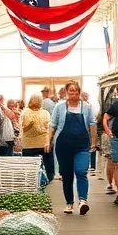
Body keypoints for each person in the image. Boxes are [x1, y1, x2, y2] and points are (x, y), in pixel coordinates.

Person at [47, 81, 96, 215]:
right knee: (67, 175)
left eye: (76, 90)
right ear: (66, 92)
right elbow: (52, 125)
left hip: (82, 145)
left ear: (79, 92)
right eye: (71, 90)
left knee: (81, 171)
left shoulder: (86, 107)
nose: (73, 93)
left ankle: (83, 200)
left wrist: (93, 142)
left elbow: (92, 124)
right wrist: (48, 141)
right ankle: (69, 202)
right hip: (63, 145)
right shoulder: (59, 107)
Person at [21, 94, 54, 183]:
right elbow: (24, 127)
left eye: (37, 100)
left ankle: (49, 178)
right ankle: (30, 180)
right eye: (34, 100)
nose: (36, 102)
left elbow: (48, 128)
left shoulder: (45, 113)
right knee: (29, 165)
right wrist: (29, 126)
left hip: (43, 143)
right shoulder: (26, 113)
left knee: (48, 163)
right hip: (30, 144)